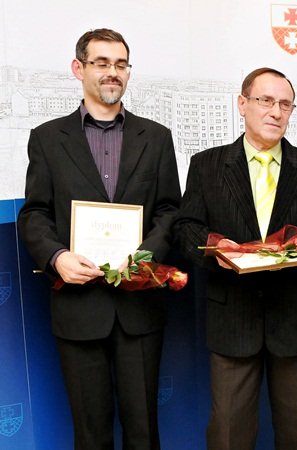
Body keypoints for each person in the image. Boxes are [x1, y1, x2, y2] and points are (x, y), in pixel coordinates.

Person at [17, 29, 181, 449]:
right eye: (102, 63)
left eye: (121, 64)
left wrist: (145, 256)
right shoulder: (48, 138)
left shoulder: (157, 137)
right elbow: (35, 212)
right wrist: (56, 257)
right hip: (78, 306)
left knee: (143, 430)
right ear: (79, 68)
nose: (113, 72)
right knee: (90, 432)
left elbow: (168, 210)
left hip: (138, 305)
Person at [173, 67, 297, 450]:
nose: (275, 112)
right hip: (232, 317)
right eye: (265, 101)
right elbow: (185, 228)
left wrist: (296, 247)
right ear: (242, 104)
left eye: (285, 104)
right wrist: (217, 247)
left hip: (293, 318)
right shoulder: (206, 165)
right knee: (228, 434)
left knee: (295, 435)